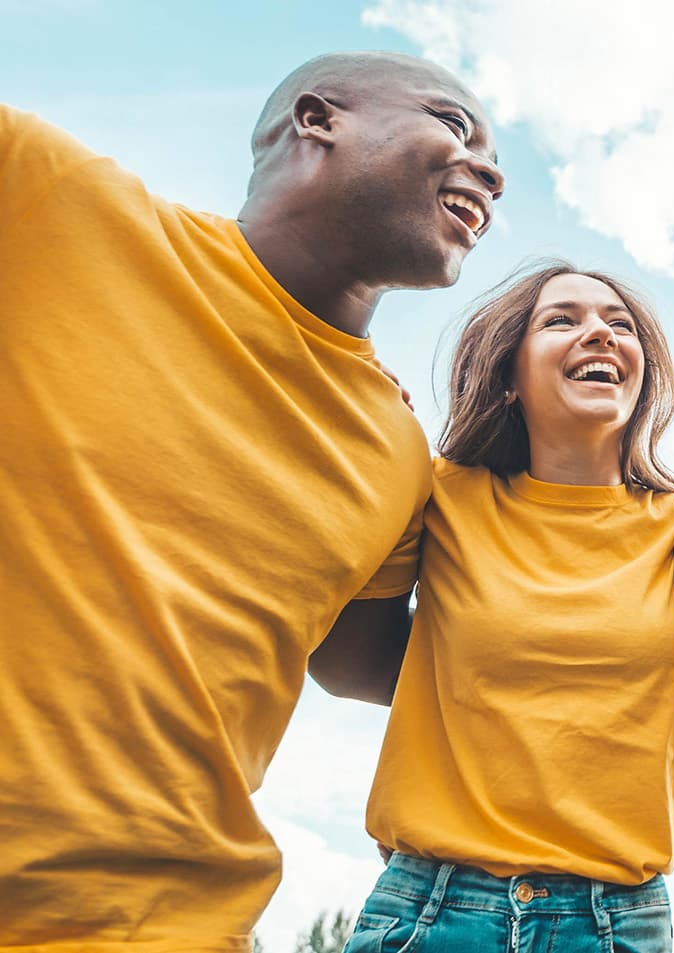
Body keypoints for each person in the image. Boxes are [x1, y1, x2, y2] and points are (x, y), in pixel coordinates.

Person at [0, 51, 502, 949]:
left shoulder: (398, 450)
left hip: (173, 925)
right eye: (454, 125)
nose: (491, 171)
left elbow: (361, 663)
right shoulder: (49, 197)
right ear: (320, 118)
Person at [305, 262, 674, 951]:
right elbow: (348, 666)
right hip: (430, 912)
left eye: (620, 324)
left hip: (617, 923)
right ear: (510, 378)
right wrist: (371, 437)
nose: (600, 334)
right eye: (562, 319)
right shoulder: (437, 495)